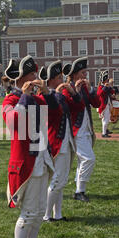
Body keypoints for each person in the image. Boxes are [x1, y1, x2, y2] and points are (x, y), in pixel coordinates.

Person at [2, 55, 56, 238]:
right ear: (22, 77)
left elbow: (56, 112)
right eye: (33, 74)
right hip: (26, 163)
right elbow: (13, 123)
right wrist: (24, 97)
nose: (36, 77)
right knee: (29, 211)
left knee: (40, 210)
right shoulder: (11, 100)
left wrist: (47, 93)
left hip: (41, 159)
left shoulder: (37, 98)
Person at [39, 61, 79, 222]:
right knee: (57, 180)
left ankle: (58, 214)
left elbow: (79, 106)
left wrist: (73, 93)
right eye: (59, 77)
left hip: (66, 141)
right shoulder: (45, 96)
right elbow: (54, 111)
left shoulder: (59, 95)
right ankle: (47, 215)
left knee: (61, 180)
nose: (62, 80)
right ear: (52, 80)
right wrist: (57, 93)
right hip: (57, 141)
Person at [66, 57, 101, 203]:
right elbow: (73, 107)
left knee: (83, 160)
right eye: (82, 72)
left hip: (87, 127)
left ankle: (79, 189)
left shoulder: (86, 87)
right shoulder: (68, 88)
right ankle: (79, 190)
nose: (85, 75)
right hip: (76, 129)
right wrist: (77, 91)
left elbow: (97, 103)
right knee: (88, 159)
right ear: (74, 75)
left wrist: (91, 89)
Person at [97, 73, 116, 138]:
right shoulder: (101, 87)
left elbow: (112, 91)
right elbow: (100, 94)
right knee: (106, 119)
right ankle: (104, 133)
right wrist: (105, 87)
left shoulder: (106, 87)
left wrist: (112, 93)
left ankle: (105, 131)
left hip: (108, 104)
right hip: (103, 105)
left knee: (107, 118)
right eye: (107, 80)